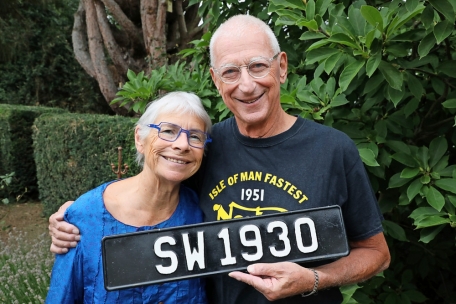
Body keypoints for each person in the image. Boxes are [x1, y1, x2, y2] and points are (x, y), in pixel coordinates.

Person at [48, 15, 390, 304]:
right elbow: (154, 197)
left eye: (258, 66)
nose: (246, 85)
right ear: (216, 80)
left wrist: (314, 279)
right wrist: (80, 218)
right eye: (230, 72)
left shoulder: (333, 149)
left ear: (281, 67)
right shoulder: (204, 148)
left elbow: (377, 254)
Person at [45, 92, 211, 303]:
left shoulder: (201, 212)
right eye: (168, 131)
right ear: (139, 139)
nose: (183, 145)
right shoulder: (85, 217)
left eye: (195, 136)